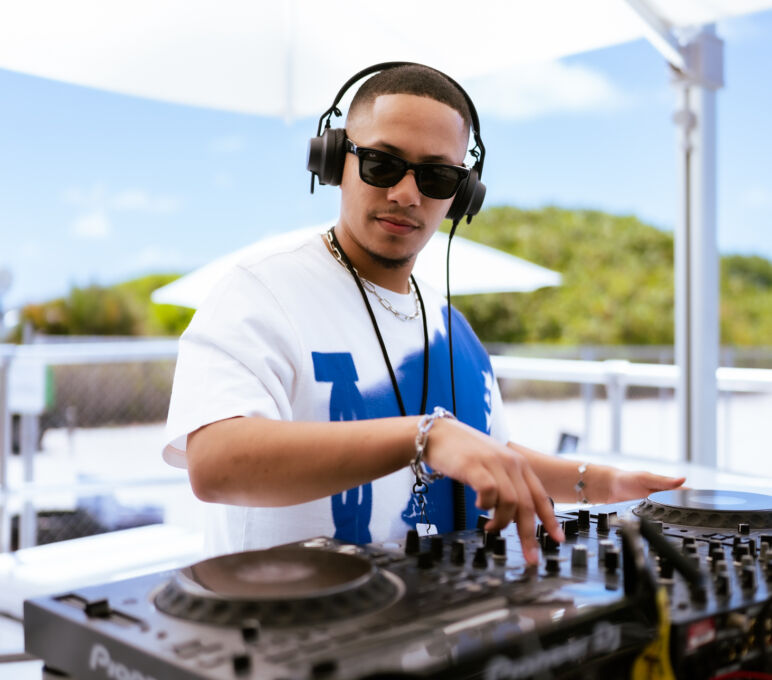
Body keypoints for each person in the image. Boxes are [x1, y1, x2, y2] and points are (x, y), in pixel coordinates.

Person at [164, 62, 684, 561]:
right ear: (335, 161)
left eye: (436, 176)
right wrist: (425, 437)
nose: (406, 193)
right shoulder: (258, 294)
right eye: (382, 163)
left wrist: (599, 484)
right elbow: (216, 464)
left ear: (462, 195)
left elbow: (487, 453)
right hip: (290, 621)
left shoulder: (451, 326)